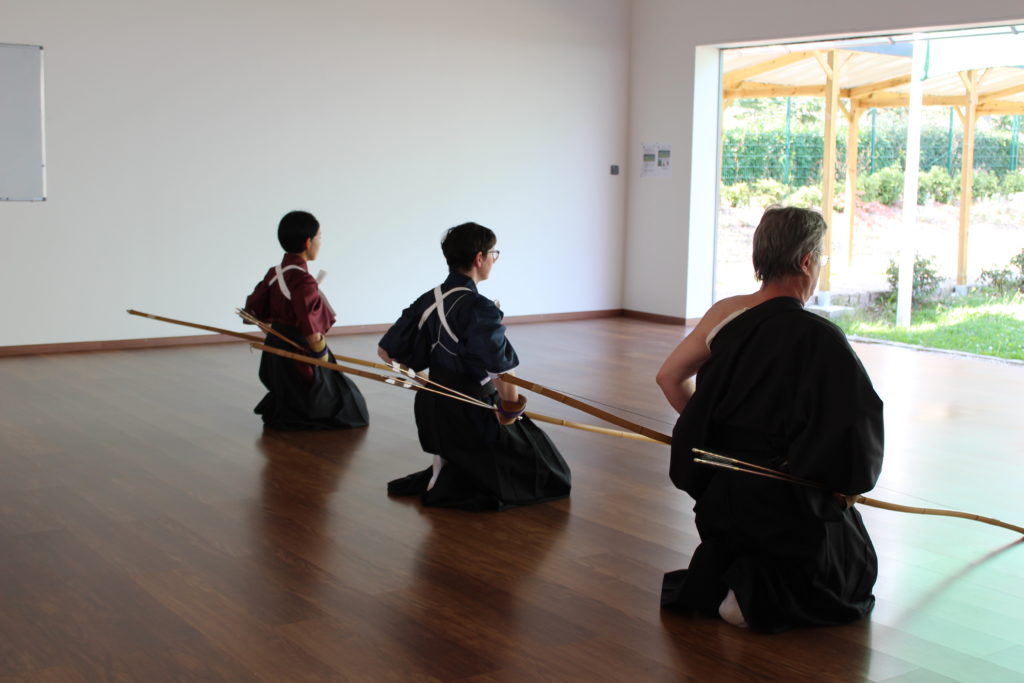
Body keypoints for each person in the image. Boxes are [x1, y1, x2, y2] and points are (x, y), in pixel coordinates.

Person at [655, 206, 883, 633]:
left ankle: (729, 579)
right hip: (785, 497)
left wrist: (711, 437)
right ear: (806, 262)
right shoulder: (820, 337)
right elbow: (853, 428)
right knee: (854, 569)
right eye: (823, 259)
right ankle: (751, 598)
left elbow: (668, 378)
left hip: (723, 494)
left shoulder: (726, 314)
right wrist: (846, 486)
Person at [377, 222, 571, 511]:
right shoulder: (479, 307)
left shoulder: (429, 299)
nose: (494, 259)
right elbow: (501, 370)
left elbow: (385, 351)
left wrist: (423, 382)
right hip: (471, 413)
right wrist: (509, 409)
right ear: (479, 258)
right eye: (493, 253)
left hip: (433, 409)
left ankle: (449, 468)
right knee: (552, 472)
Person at [243, 210, 369, 430]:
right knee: (350, 404)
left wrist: (274, 333)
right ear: (308, 242)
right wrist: (321, 357)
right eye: (319, 237)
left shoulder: (276, 272)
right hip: (299, 353)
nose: (320, 242)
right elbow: (309, 327)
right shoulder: (302, 280)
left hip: (275, 350)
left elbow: (254, 309)